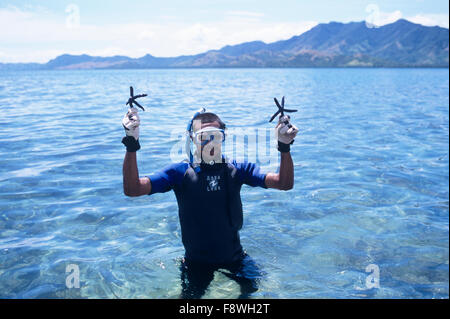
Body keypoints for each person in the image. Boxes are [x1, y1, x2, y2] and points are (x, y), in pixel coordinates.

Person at [121, 106, 298, 299]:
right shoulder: (180, 173)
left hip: (236, 260)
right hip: (195, 263)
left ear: (224, 137)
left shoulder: (237, 170)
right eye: (203, 137)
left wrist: (284, 147)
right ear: (192, 139)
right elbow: (133, 189)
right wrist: (132, 143)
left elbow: (284, 183)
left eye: (216, 136)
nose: (210, 143)